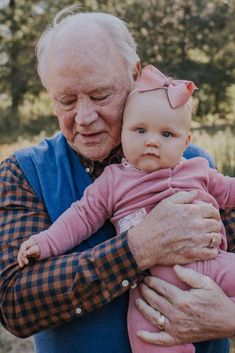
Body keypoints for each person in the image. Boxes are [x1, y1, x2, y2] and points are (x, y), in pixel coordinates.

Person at [0, 5, 234, 353]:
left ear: (134, 76)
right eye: (66, 100)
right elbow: (15, 301)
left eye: (100, 95)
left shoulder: (194, 162)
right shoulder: (24, 173)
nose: (84, 117)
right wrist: (139, 248)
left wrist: (229, 317)